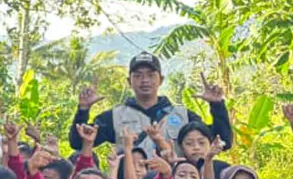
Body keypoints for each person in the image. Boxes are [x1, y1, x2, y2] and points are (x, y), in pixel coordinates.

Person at [71, 53, 232, 158]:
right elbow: (78, 143)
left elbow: (223, 141)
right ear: (129, 81)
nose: (145, 80)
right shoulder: (114, 116)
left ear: (161, 80)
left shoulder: (182, 115)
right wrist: (83, 110)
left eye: (151, 75)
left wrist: (217, 105)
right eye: (138, 75)